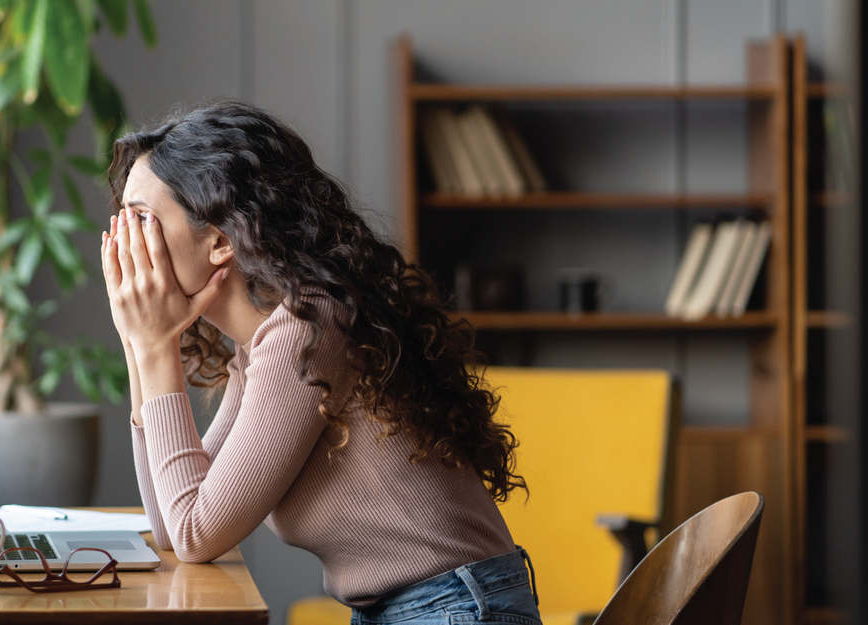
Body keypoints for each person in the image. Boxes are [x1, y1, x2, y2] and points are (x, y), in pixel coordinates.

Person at [100, 100, 541, 624]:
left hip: (457, 609)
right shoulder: (263, 346)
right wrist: (140, 343)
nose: (124, 242)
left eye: (142, 219)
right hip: (422, 608)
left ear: (219, 240)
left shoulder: (308, 326)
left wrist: (153, 347)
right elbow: (175, 525)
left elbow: (196, 532)